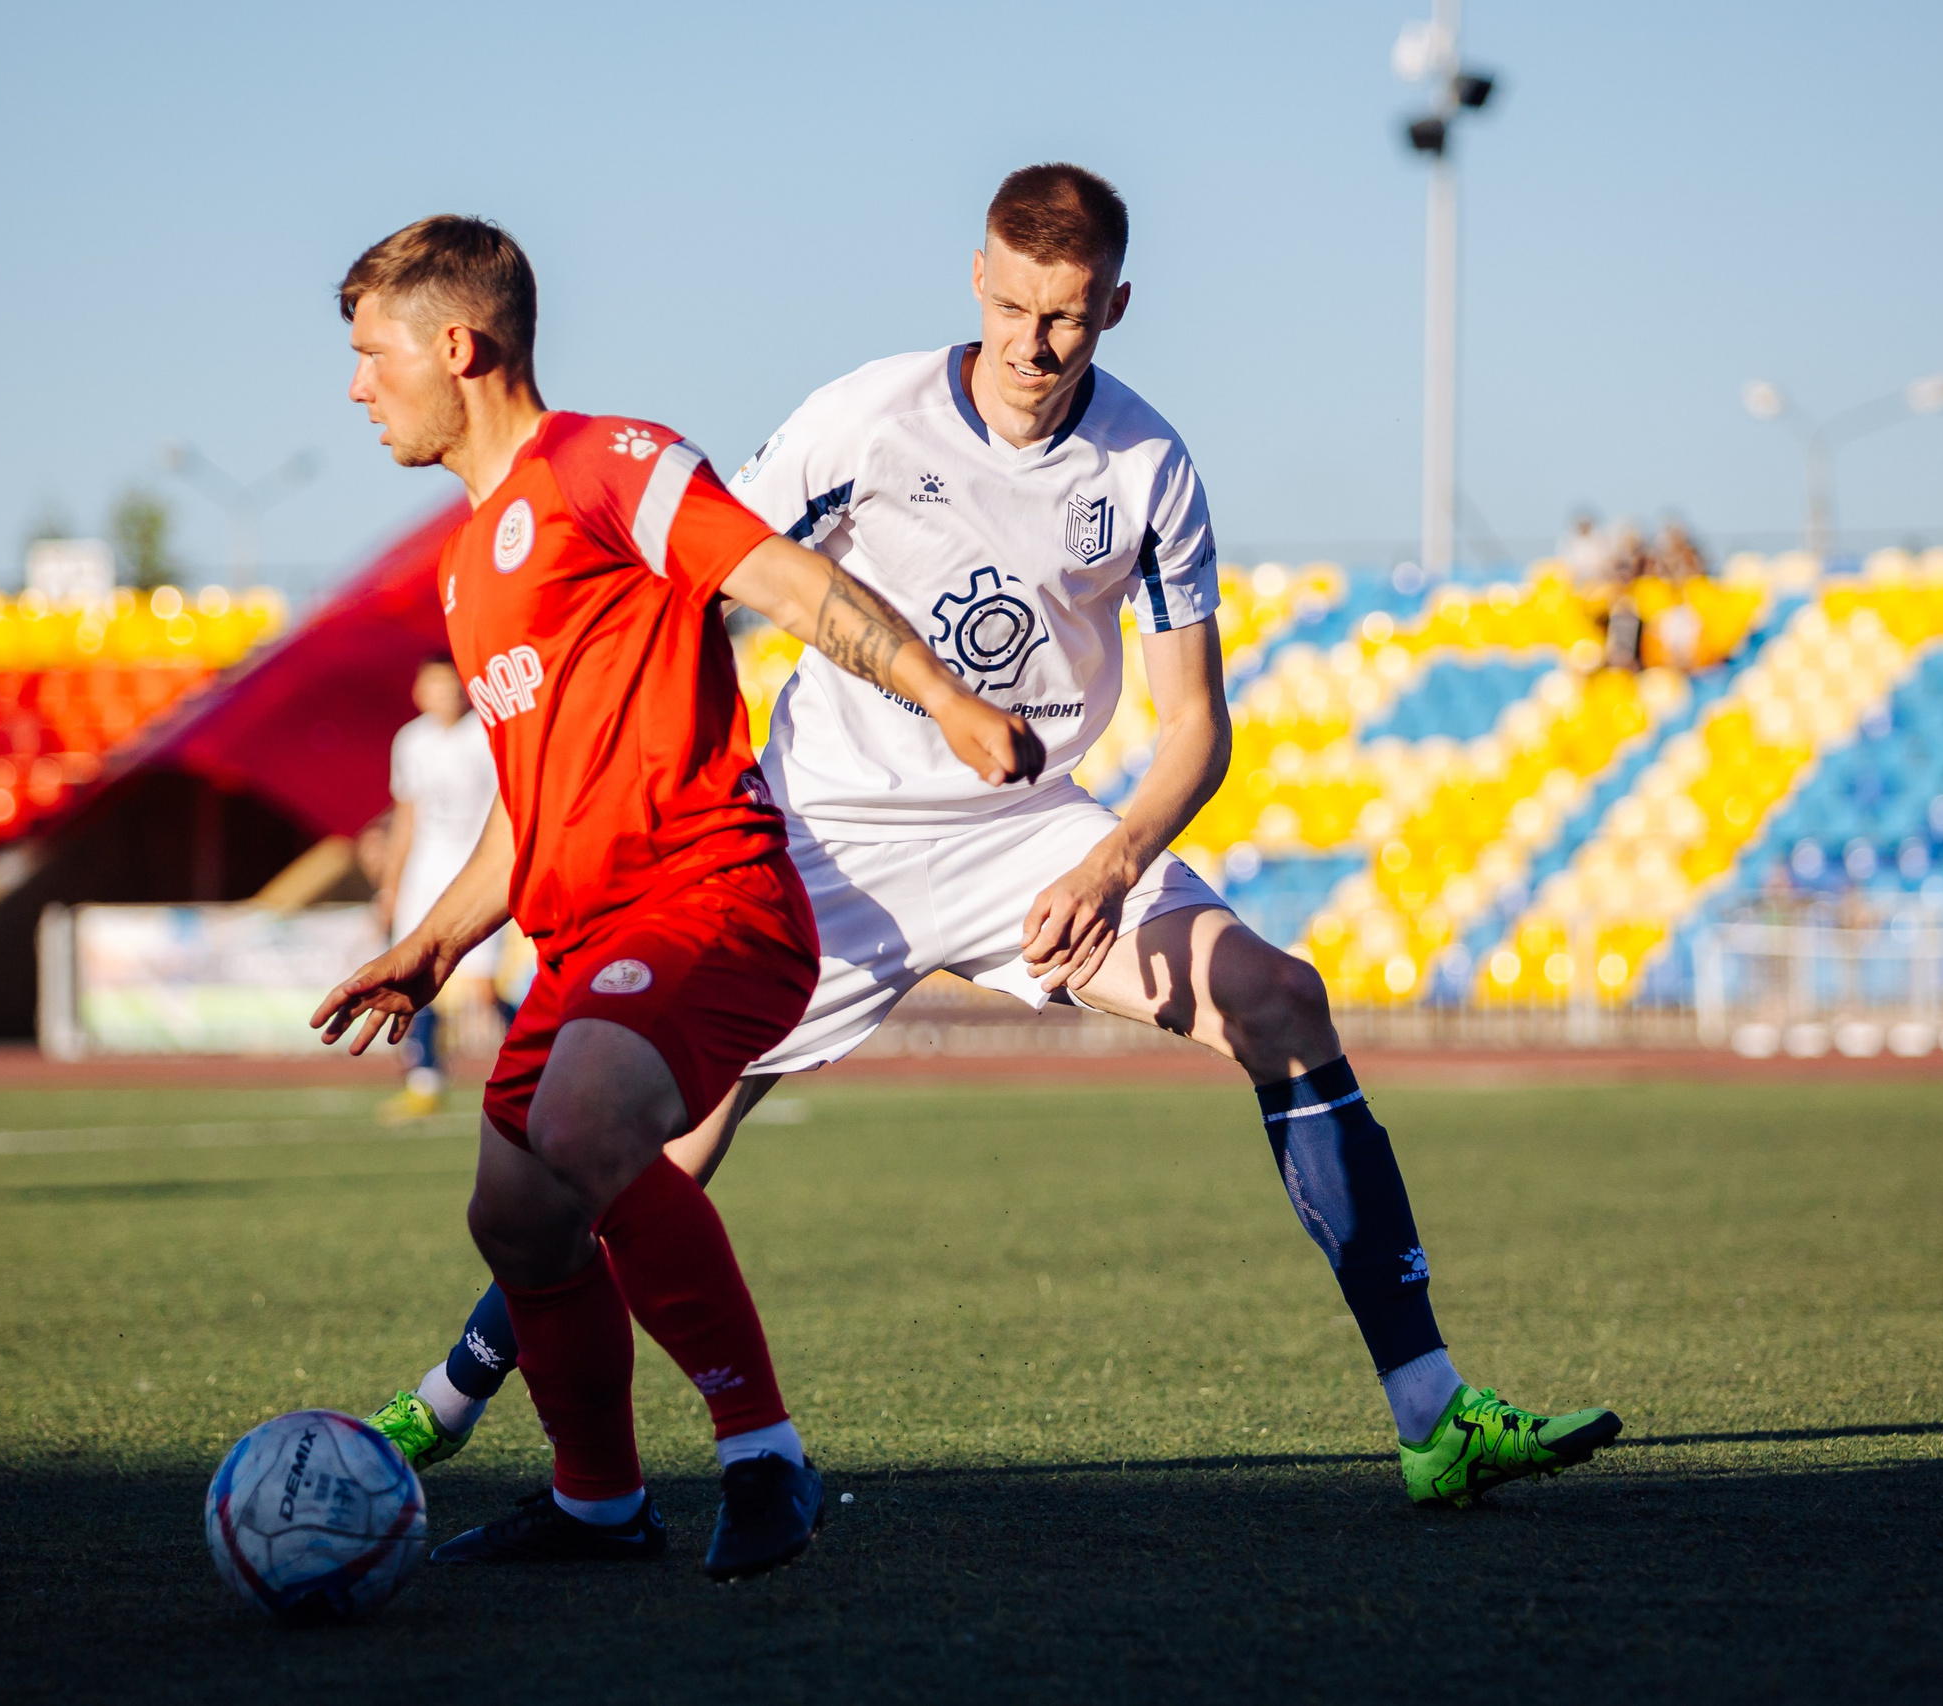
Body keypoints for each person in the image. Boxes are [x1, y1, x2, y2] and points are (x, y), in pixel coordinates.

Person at [365, 164, 1620, 1512]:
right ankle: (453, 1394)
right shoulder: (861, 420)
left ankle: (1432, 1414)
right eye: (1014, 304)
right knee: (638, 1145)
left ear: (1117, 306)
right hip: (817, 839)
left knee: (1279, 997)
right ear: (977, 277)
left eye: (1068, 317)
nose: (1034, 342)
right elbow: (701, 597)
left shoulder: (1148, 465)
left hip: (1028, 838)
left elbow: (1196, 727)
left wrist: (1112, 858)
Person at [316, 214, 1042, 1577]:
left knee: (587, 1128)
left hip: (713, 899)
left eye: (371, 354)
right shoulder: (470, 567)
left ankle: (765, 1455)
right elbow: (528, 815)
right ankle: (599, 1504)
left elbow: (787, 578)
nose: (357, 385)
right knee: (515, 1216)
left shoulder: (606, 463)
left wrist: (946, 697)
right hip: (584, 940)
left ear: (456, 346)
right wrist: (425, 946)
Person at [373, 656, 502, 1123]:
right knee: (412, 975)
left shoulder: (487, 733)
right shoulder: (410, 740)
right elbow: (407, 816)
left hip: (480, 869)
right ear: (418, 692)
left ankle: (545, 1069)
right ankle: (424, 1080)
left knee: (483, 990)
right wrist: (392, 886)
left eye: (450, 685)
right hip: (424, 873)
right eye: (433, 685)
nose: (443, 693)